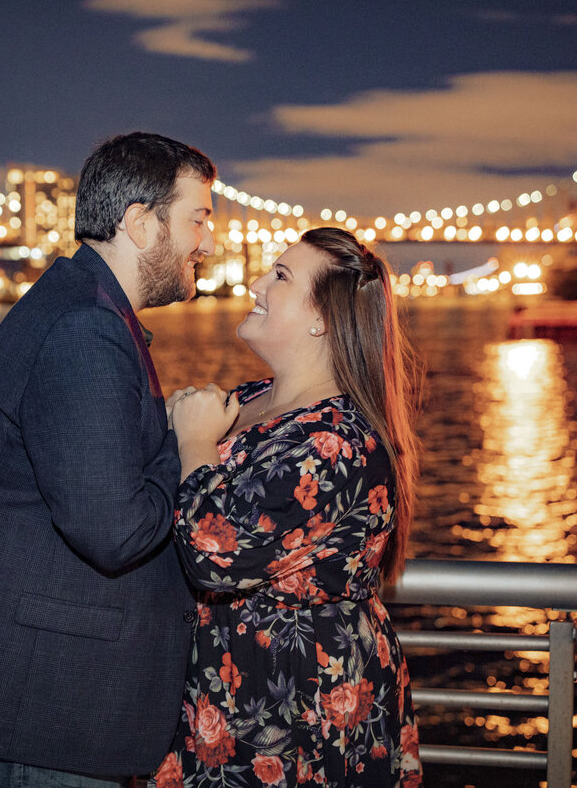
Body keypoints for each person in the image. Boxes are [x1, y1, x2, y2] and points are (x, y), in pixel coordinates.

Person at [0, 132, 216, 786]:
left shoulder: (77, 305)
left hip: (24, 690)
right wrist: (186, 443)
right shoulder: (85, 330)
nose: (208, 241)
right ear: (140, 223)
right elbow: (113, 531)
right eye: (198, 218)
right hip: (39, 708)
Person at [155, 227, 423, 787]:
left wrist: (195, 442)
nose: (255, 282)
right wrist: (181, 431)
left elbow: (214, 553)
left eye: (279, 276)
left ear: (321, 318)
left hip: (295, 703)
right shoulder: (252, 399)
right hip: (222, 686)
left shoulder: (339, 442)